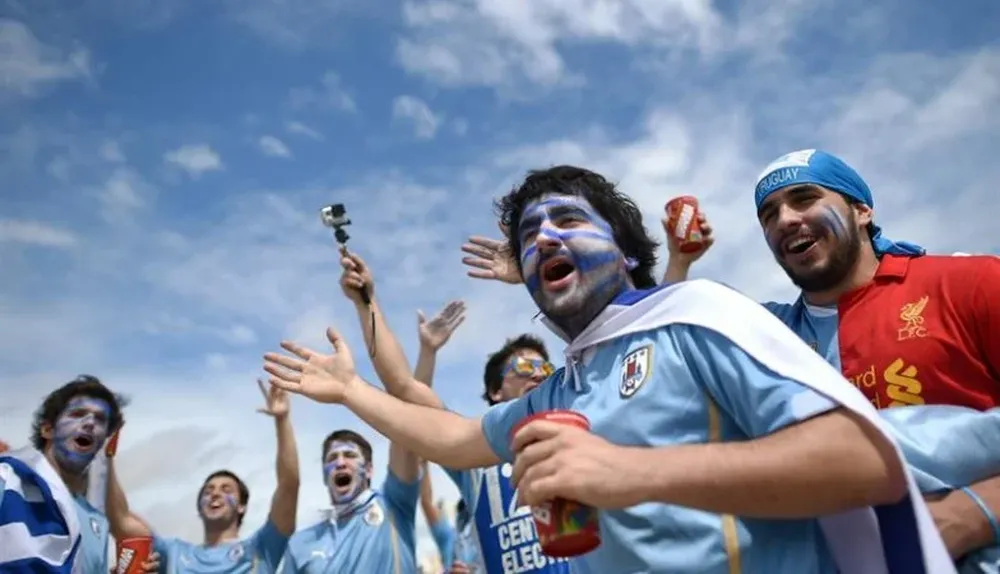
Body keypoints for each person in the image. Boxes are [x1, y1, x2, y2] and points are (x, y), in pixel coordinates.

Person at [264, 165, 953, 573]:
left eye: (568, 220)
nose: (544, 237)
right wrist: (350, 390)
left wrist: (628, 472)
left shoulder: (698, 315)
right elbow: (453, 437)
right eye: (529, 235)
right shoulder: (560, 390)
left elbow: (863, 459)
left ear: (625, 253)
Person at [662, 149, 1000, 567]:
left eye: (804, 198)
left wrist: (974, 512)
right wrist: (679, 263)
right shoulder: (767, 336)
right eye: (769, 214)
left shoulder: (970, 283)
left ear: (861, 211)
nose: (784, 219)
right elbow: (667, 343)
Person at [336, 250, 571, 574]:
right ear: (495, 391)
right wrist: (367, 302)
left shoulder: (578, 434)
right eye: (524, 366)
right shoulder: (476, 457)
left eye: (545, 367)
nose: (538, 374)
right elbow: (404, 390)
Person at [104, 379, 299, 574]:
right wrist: (108, 453)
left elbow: (289, 486)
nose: (215, 494)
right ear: (199, 507)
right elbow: (121, 520)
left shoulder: (261, 548)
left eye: (226, 489)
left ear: (242, 506)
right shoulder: (173, 553)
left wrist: (282, 420)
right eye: (208, 491)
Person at [0, 375, 159, 573]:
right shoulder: (7, 481)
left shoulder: (97, 523)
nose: (90, 422)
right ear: (48, 430)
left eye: (100, 419)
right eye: (77, 414)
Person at [280, 424, 420, 573]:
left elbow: (404, 430)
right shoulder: (300, 544)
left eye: (350, 455)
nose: (340, 463)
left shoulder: (394, 505)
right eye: (332, 458)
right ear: (325, 476)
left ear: (368, 470)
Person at [418, 462, 457, 571]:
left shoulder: (449, 538)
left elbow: (426, 502)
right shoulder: (450, 538)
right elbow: (426, 502)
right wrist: (423, 464)